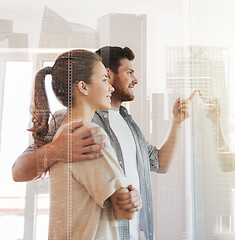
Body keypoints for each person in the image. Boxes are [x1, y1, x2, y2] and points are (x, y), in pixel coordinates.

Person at [12, 46, 194, 240]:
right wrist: (56, 150)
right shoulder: (73, 123)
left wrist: (176, 123)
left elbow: (160, 164)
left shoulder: (130, 125)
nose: (136, 79)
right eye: (129, 72)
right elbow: (18, 171)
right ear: (108, 74)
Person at [28, 49, 134, 239]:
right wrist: (133, 200)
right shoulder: (88, 135)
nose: (110, 87)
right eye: (103, 79)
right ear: (83, 87)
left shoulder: (63, 133)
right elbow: (125, 210)